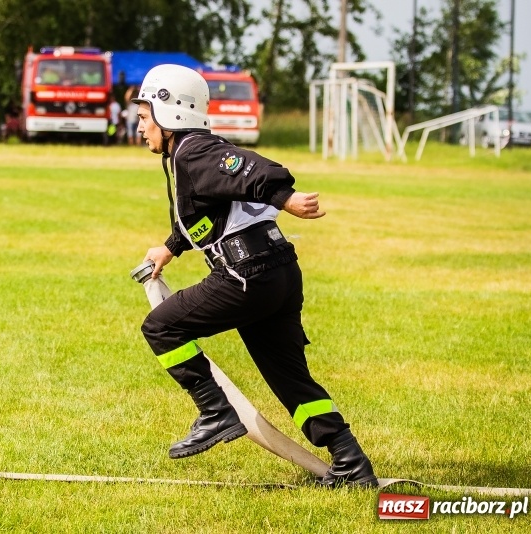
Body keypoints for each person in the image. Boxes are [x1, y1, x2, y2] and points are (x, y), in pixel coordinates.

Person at [133, 64, 377, 488]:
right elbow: (209, 217)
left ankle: (215, 413)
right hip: (278, 272)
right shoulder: (193, 153)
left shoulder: (194, 151)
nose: (138, 127)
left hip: (248, 275)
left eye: (142, 115)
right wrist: (170, 248)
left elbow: (251, 167)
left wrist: (286, 198)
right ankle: (351, 462)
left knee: (161, 327)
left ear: (170, 111)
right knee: (289, 376)